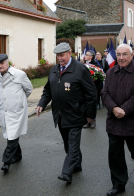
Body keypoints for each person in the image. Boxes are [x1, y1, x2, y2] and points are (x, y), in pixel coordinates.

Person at [36, 43, 97, 184]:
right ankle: (77, 165)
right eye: (58, 56)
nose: (59, 58)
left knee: (73, 144)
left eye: (62, 55)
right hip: (60, 115)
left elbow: (91, 94)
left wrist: (90, 115)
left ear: (70, 53)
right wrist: (41, 104)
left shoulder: (80, 69)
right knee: (68, 145)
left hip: (76, 114)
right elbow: (48, 90)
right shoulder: (54, 70)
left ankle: (67, 172)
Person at [101, 44, 134, 196]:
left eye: (125, 54)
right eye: (119, 55)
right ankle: (118, 184)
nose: (121, 58)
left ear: (132, 55)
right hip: (115, 120)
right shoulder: (111, 72)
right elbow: (104, 93)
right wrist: (114, 108)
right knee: (115, 155)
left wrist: (124, 109)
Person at [0, 54, 33, 173]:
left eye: (2, 63)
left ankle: (6, 161)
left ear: (7, 62)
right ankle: (18, 155)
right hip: (4, 110)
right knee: (11, 134)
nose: (0, 66)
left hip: (17, 111)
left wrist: (19, 101)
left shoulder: (19, 74)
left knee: (12, 135)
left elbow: (29, 89)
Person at [83, 50, 101, 127]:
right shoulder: (83, 65)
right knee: (85, 105)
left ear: (91, 57)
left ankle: (93, 121)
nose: (85, 56)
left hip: (94, 87)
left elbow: (100, 75)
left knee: (92, 105)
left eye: (87, 55)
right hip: (84, 88)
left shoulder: (96, 65)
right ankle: (87, 121)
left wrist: (95, 78)